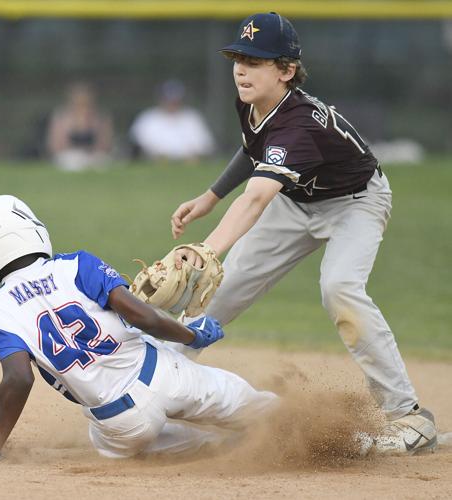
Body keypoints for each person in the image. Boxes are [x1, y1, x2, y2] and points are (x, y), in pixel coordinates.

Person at [170, 12, 437, 455]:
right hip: (297, 201)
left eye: (255, 61)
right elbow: (252, 148)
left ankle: (407, 414)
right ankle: (160, 376)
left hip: (356, 202)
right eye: (238, 57)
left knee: (340, 289)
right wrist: (210, 197)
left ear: (286, 70)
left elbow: (256, 198)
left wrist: (207, 248)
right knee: (223, 289)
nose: (240, 68)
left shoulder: (300, 122)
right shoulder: (252, 100)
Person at [0, 195, 277, 460]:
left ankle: (221, 447)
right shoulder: (76, 265)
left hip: (120, 425)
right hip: (164, 375)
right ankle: (286, 429)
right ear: (33, 229)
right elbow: (145, 318)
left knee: (158, 446)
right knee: (256, 409)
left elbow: (19, 378)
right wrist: (192, 335)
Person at [130, 79, 215, 162]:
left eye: (175, 99)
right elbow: (138, 147)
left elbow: (205, 146)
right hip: (156, 163)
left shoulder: (192, 118)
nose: (172, 103)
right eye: (168, 99)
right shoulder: (147, 118)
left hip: (188, 164)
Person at [46, 83, 113, 171]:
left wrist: (91, 151)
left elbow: (106, 143)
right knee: (73, 162)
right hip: (70, 155)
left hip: (93, 156)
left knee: (101, 163)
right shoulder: (62, 118)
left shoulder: (100, 118)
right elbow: (55, 145)